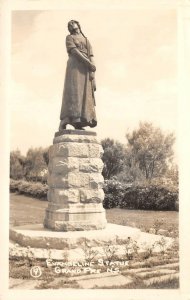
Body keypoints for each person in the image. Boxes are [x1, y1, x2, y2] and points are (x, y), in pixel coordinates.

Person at [59, 20, 97, 131]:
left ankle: (78, 122)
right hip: (75, 67)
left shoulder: (86, 40)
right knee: (74, 93)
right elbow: (74, 51)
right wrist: (88, 63)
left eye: (73, 24)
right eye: (69, 25)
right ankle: (66, 120)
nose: (71, 25)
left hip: (85, 69)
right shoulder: (69, 38)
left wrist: (92, 72)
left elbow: (91, 56)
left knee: (85, 95)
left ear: (78, 25)